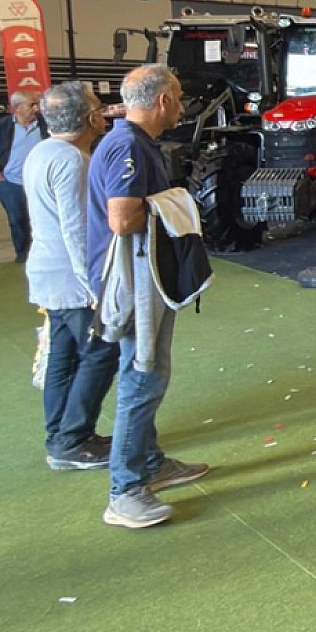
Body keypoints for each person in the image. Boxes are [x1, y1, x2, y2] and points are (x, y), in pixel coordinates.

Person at [87, 65, 209, 528]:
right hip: (134, 280)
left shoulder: (132, 143)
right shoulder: (127, 148)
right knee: (144, 375)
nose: (180, 107)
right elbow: (122, 220)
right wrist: (173, 205)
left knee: (145, 370)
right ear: (161, 102)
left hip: (146, 275)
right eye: (177, 98)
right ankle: (125, 490)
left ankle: (151, 462)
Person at [25, 82, 116, 470]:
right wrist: (92, 283)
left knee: (63, 356)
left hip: (47, 272)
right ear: (89, 118)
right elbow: (77, 228)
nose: (103, 113)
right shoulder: (73, 161)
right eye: (98, 108)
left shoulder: (41, 152)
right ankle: (75, 440)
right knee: (99, 352)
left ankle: (60, 435)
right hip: (71, 278)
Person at [0, 88, 47, 262]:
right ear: (17, 108)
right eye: (32, 104)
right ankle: (23, 254)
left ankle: (42, 254)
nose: (37, 108)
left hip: (40, 183)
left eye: (38, 104)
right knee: (17, 219)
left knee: (41, 220)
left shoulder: (46, 125)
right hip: (11, 183)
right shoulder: (1, 127)